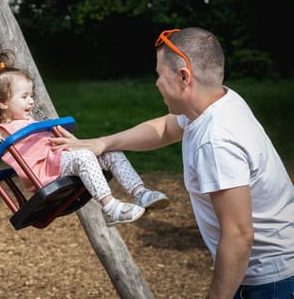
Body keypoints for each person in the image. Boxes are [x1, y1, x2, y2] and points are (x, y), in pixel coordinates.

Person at [49, 27, 294, 298]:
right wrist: (104, 143)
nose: (156, 83)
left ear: (183, 77)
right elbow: (166, 129)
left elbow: (238, 235)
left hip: (270, 282)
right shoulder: (219, 102)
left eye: (159, 75)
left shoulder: (216, 140)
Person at [0, 49, 170, 227]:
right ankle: (110, 207)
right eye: (24, 96)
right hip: (45, 173)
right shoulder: (0, 131)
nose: (31, 101)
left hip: (59, 161)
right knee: (83, 157)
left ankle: (140, 192)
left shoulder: (31, 120)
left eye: (31, 95)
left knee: (111, 152)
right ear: (2, 103)